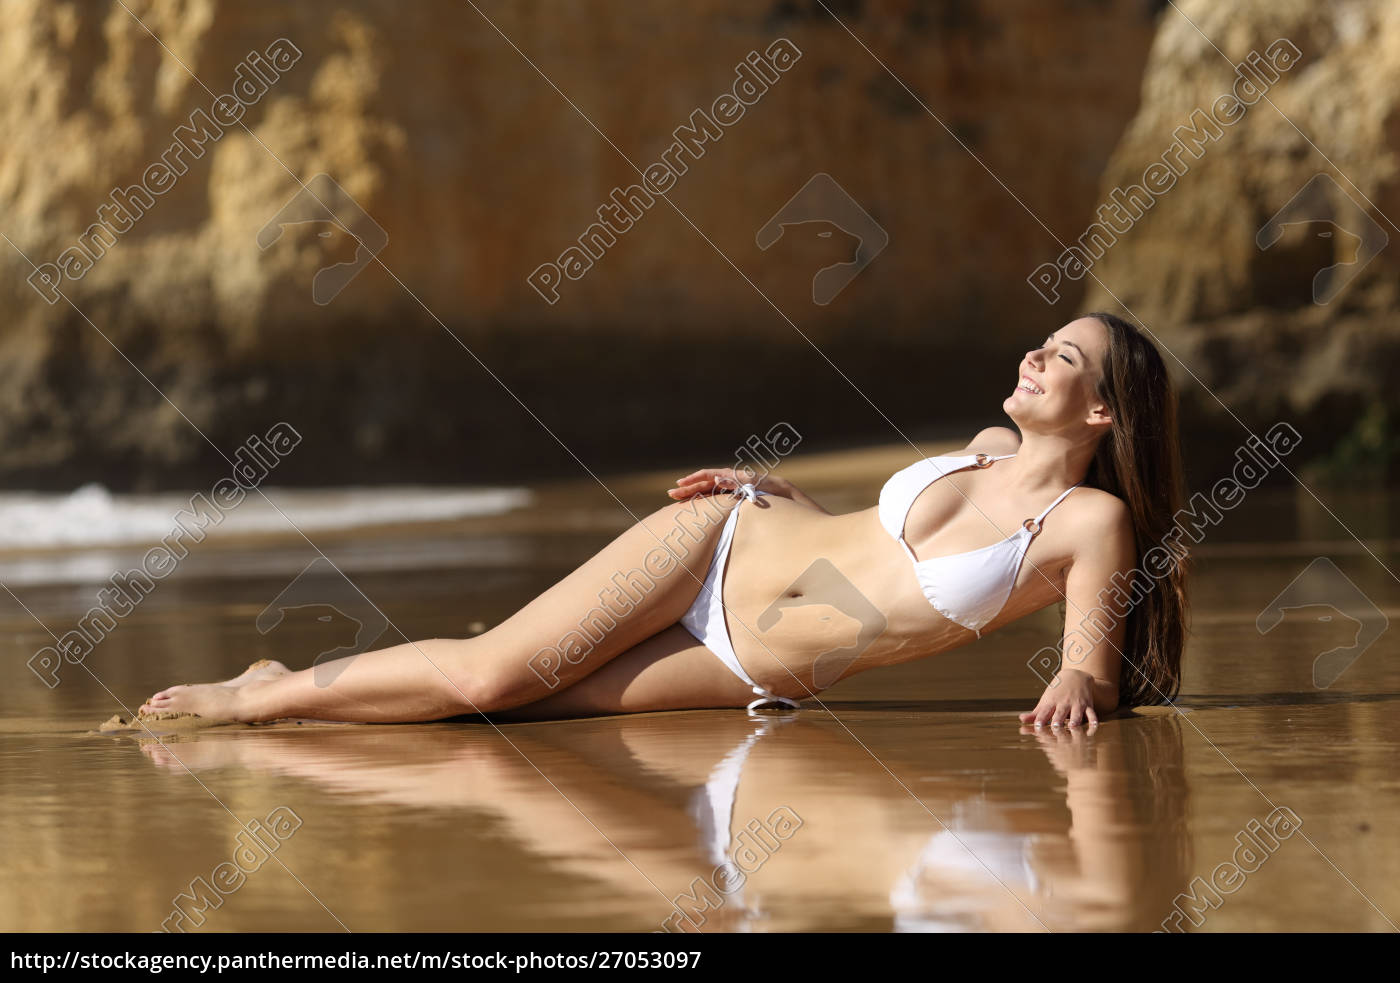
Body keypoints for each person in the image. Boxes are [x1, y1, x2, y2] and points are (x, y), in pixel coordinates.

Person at [139, 312, 1188, 728]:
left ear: (1102, 408)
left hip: (754, 666)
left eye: (1060, 358)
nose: (1029, 357)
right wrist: (770, 490)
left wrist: (1073, 685)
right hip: (721, 542)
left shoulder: (1086, 520)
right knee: (490, 675)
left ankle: (299, 701)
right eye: (1037, 343)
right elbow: (863, 542)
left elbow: (1085, 667)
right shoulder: (986, 446)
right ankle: (257, 697)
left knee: (515, 710)